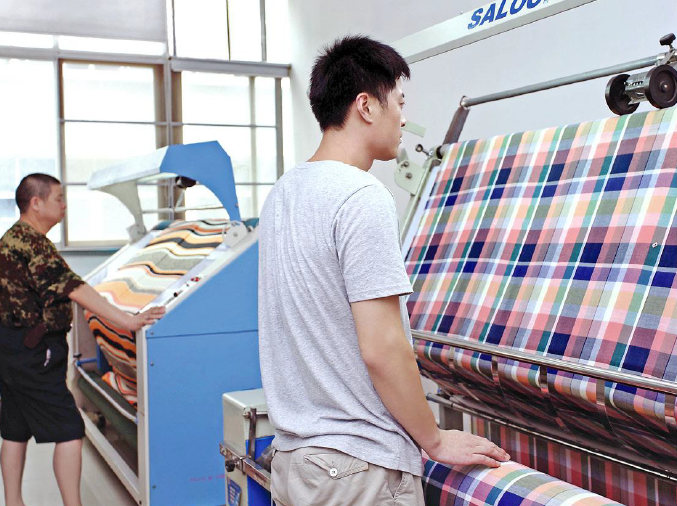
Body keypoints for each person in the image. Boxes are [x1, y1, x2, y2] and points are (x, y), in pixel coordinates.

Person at [258, 35, 510, 506]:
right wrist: (434, 439)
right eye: (399, 102)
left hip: (297, 463)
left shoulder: (282, 194)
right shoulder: (361, 196)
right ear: (366, 106)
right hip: (359, 470)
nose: (403, 118)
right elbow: (382, 347)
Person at [0, 173, 165, 506]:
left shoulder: (12, 238)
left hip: (11, 348)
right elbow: (75, 288)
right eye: (59, 198)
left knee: (15, 428)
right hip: (34, 352)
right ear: (36, 203)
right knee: (70, 429)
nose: (64, 205)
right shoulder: (34, 244)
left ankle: (14, 501)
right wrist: (129, 320)